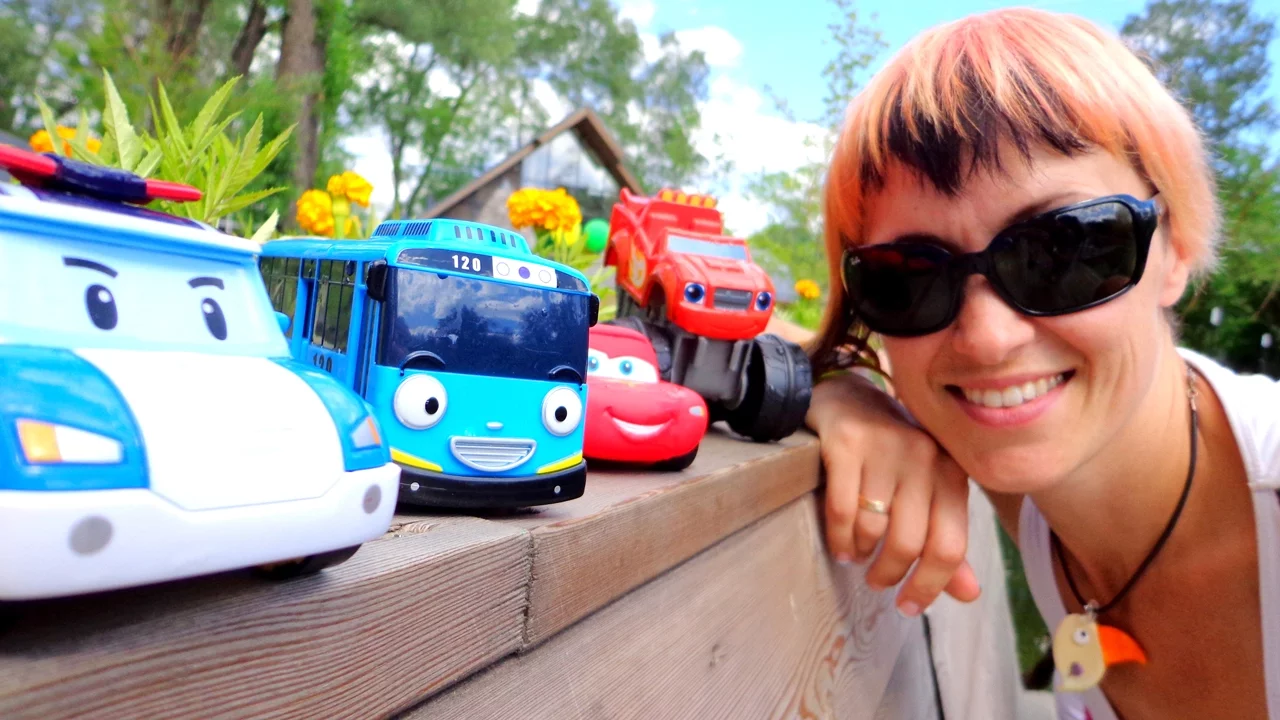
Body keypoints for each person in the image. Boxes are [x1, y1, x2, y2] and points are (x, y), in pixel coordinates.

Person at [797, 7, 1280, 720]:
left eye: (1063, 249)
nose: (987, 339)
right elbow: (740, 325)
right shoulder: (1030, 477)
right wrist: (836, 387)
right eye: (909, 278)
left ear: (1174, 249)